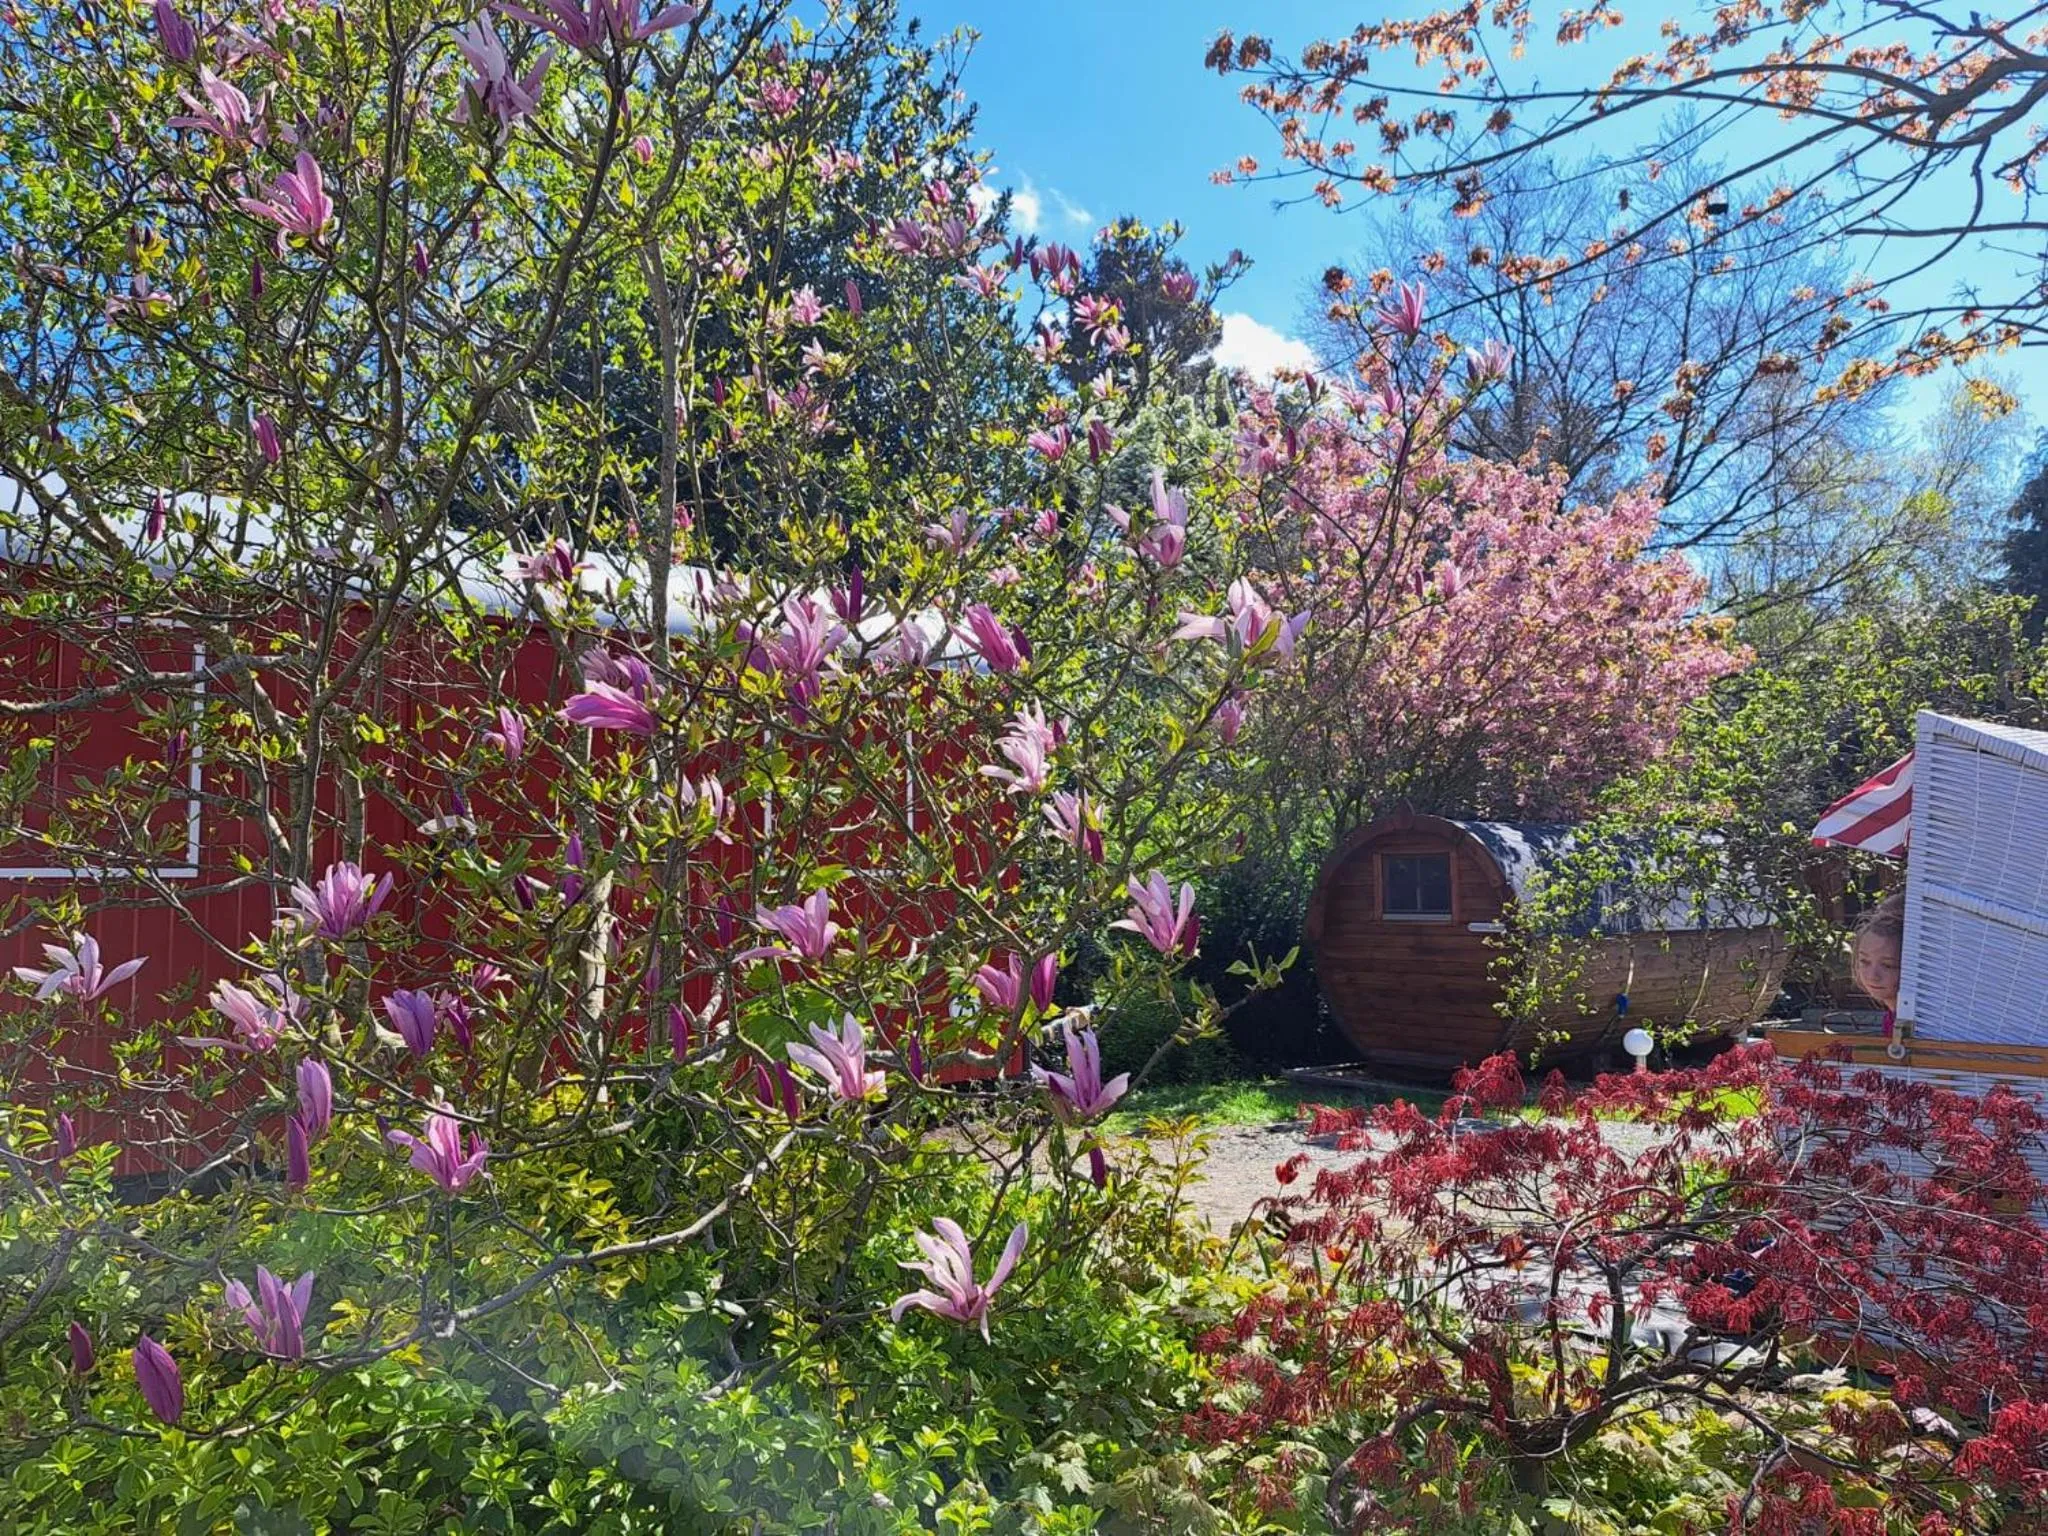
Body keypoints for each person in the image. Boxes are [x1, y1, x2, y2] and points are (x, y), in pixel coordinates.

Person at [1850, 891, 1904, 1033]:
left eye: (1888, 965)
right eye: (1864, 961)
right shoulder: (1892, 1016)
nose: (1873, 976)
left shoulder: (1918, 1023)